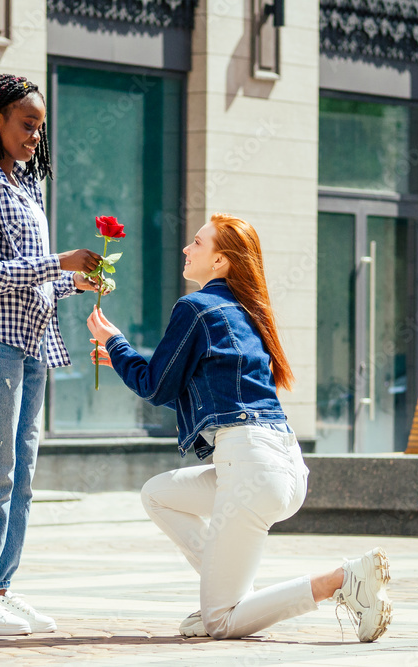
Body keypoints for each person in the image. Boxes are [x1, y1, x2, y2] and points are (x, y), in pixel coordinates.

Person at [86, 213, 393, 641]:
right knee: (158, 494)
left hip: (250, 465)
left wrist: (114, 341)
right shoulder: (246, 312)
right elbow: (174, 378)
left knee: (219, 623)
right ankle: (237, 596)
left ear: (220, 262)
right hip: (281, 465)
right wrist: (121, 358)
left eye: (196, 242)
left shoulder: (195, 307)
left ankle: (342, 580)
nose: (185, 248)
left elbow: (155, 386)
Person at [0, 73, 102, 636]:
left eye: (40, 127)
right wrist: (60, 261)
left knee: (23, 476)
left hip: (33, 342)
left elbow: (34, 279)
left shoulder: (28, 187)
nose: (35, 136)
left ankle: (1, 591)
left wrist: (77, 283)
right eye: (26, 124)